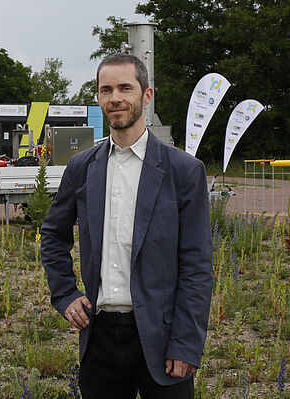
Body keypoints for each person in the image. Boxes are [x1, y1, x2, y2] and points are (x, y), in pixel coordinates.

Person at [41, 53, 213, 398]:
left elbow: (197, 263)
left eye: (125, 88)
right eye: (106, 90)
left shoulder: (183, 170)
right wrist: (64, 294)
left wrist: (186, 343)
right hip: (99, 337)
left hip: (163, 340)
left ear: (146, 95)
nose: (115, 98)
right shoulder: (81, 167)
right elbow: (53, 235)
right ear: (99, 98)